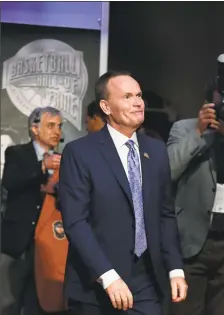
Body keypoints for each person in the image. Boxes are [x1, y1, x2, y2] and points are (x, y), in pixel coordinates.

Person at [58, 70, 188, 315]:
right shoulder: (80, 153)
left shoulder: (156, 151)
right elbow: (76, 222)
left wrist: (175, 269)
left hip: (147, 282)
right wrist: (108, 277)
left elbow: (165, 215)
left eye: (139, 95)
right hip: (96, 286)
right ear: (106, 106)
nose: (138, 102)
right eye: (127, 96)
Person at [167, 82, 224, 315]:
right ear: (207, 106)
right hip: (191, 242)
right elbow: (168, 170)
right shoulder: (184, 129)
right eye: (221, 106)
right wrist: (200, 132)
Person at [0, 107, 64, 315]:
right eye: (51, 125)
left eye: (60, 126)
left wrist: (58, 190)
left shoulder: (65, 160)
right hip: (18, 244)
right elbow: (10, 182)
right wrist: (41, 167)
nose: (57, 131)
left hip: (49, 246)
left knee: (42, 304)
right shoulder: (17, 153)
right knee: (9, 302)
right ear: (35, 129)